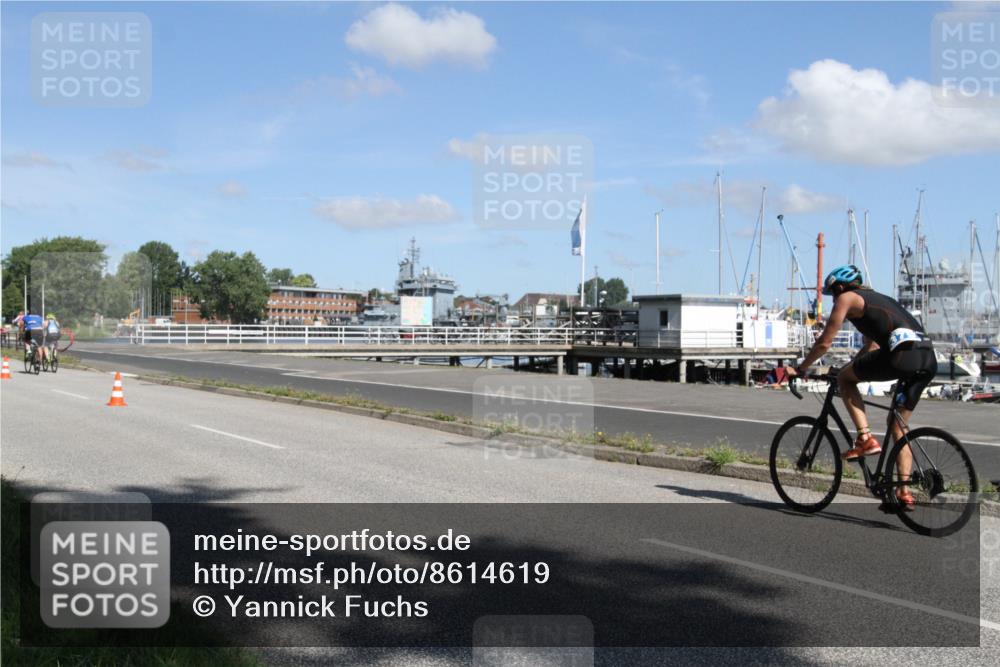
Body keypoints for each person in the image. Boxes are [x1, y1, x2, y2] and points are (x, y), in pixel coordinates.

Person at [787, 265, 936, 511]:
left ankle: (865, 439)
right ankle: (903, 492)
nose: (834, 300)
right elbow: (871, 346)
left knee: (845, 380)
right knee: (898, 426)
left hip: (902, 357)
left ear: (840, 287)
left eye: (833, 294)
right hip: (927, 358)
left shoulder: (846, 298)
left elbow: (824, 343)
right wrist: (850, 366)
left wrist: (801, 368)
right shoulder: (877, 299)